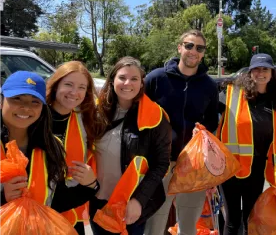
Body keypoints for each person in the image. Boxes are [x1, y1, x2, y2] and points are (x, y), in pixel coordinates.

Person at [216, 53, 276, 235]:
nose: (260, 73)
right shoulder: (232, 93)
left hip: (257, 168)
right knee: (232, 219)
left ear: (272, 73)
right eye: (256, 69)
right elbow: (212, 114)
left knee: (252, 217)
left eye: (265, 69)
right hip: (231, 167)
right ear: (250, 73)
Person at [144, 29, 219, 235]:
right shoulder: (156, 78)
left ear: (203, 53)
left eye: (199, 48)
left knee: (188, 226)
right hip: (161, 163)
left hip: (193, 165)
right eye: (189, 45)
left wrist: (203, 134)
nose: (193, 51)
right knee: (155, 224)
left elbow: (212, 124)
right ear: (180, 48)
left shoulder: (209, 86)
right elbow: (139, 116)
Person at [90, 56, 172, 235]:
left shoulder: (155, 116)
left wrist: (139, 200)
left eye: (134, 79)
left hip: (130, 204)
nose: (128, 83)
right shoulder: (96, 112)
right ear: (112, 81)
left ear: (142, 83)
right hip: (97, 201)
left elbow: (161, 164)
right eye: (122, 78)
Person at [0, 71, 99, 215]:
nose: (26, 107)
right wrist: (2, 194)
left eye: (35, 101)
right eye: (17, 98)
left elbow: (55, 201)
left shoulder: (51, 146)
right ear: (1, 102)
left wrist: (90, 186)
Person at [46, 61, 103, 235]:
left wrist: (91, 184)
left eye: (81, 87)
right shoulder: (36, 116)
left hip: (72, 204)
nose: (74, 92)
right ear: (56, 86)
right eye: (68, 84)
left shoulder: (86, 118)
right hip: (39, 207)